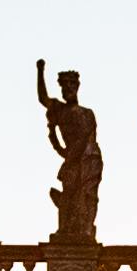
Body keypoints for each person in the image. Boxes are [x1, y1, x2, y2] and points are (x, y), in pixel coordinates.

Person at [34, 62, 105, 242]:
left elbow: (84, 139)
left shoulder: (87, 113)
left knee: (88, 195)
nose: (68, 89)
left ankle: (87, 229)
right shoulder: (59, 110)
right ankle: (66, 228)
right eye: (65, 86)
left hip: (89, 158)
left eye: (72, 85)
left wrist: (68, 158)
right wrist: (40, 71)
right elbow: (43, 98)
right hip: (73, 157)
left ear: (77, 87)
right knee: (69, 193)